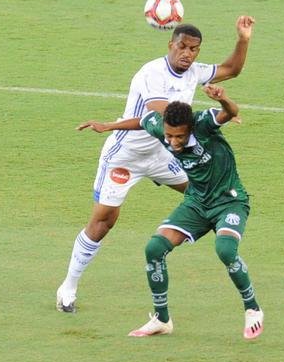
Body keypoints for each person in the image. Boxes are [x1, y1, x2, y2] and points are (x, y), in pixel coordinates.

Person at [55, 15, 255, 313]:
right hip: (127, 156)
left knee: (206, 192)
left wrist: (243, 40)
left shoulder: (194, 71)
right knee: (104, 221)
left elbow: (232, 69)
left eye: (193, 49)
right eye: (182, 47)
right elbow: (160, 111)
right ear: (170, 44)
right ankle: (68, 287)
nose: (187, 54)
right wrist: (211, 118)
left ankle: (225, 237)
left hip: (166, 153)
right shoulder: (151, 73)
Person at [78, 84, 263, 340]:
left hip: (229, 202)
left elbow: (231, 112)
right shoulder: (161, 127)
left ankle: (252, 308)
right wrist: (109, 126)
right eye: (169, 136)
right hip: (196, 203)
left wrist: (223, 100)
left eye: (180, 137)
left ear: (190, 129)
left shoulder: (203, 124)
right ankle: (162, 319)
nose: (173, 142)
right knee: (154, 249)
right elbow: (143, 121)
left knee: (225, 250)